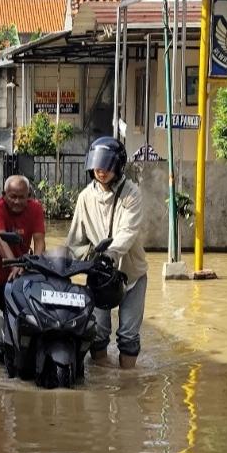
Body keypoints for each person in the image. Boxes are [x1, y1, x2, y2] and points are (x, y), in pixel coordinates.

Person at [65, 137, 147, 369]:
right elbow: (75, 240)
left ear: (118, 167)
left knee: (129, 337)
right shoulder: (84, 197)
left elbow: (128, 232)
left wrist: (110, 254)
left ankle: (127, 385)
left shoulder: (132, 194)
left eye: (107, 166)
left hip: (131, 274)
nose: (102, 171)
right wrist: (63, 264)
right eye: (97, 166)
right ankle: (102, 383)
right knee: (98, 335)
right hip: (99, 275)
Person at [0, 175, 45, 353]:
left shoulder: (35, 209)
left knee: (18, 318)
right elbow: (0, 240)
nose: (17, 201)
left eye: (22, 197)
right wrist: (13, 264)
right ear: (4, 195)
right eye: (13, 196)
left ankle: (14, 357)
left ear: (29, 195)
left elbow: (40, 241)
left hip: (17, 274)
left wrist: (37, 266)